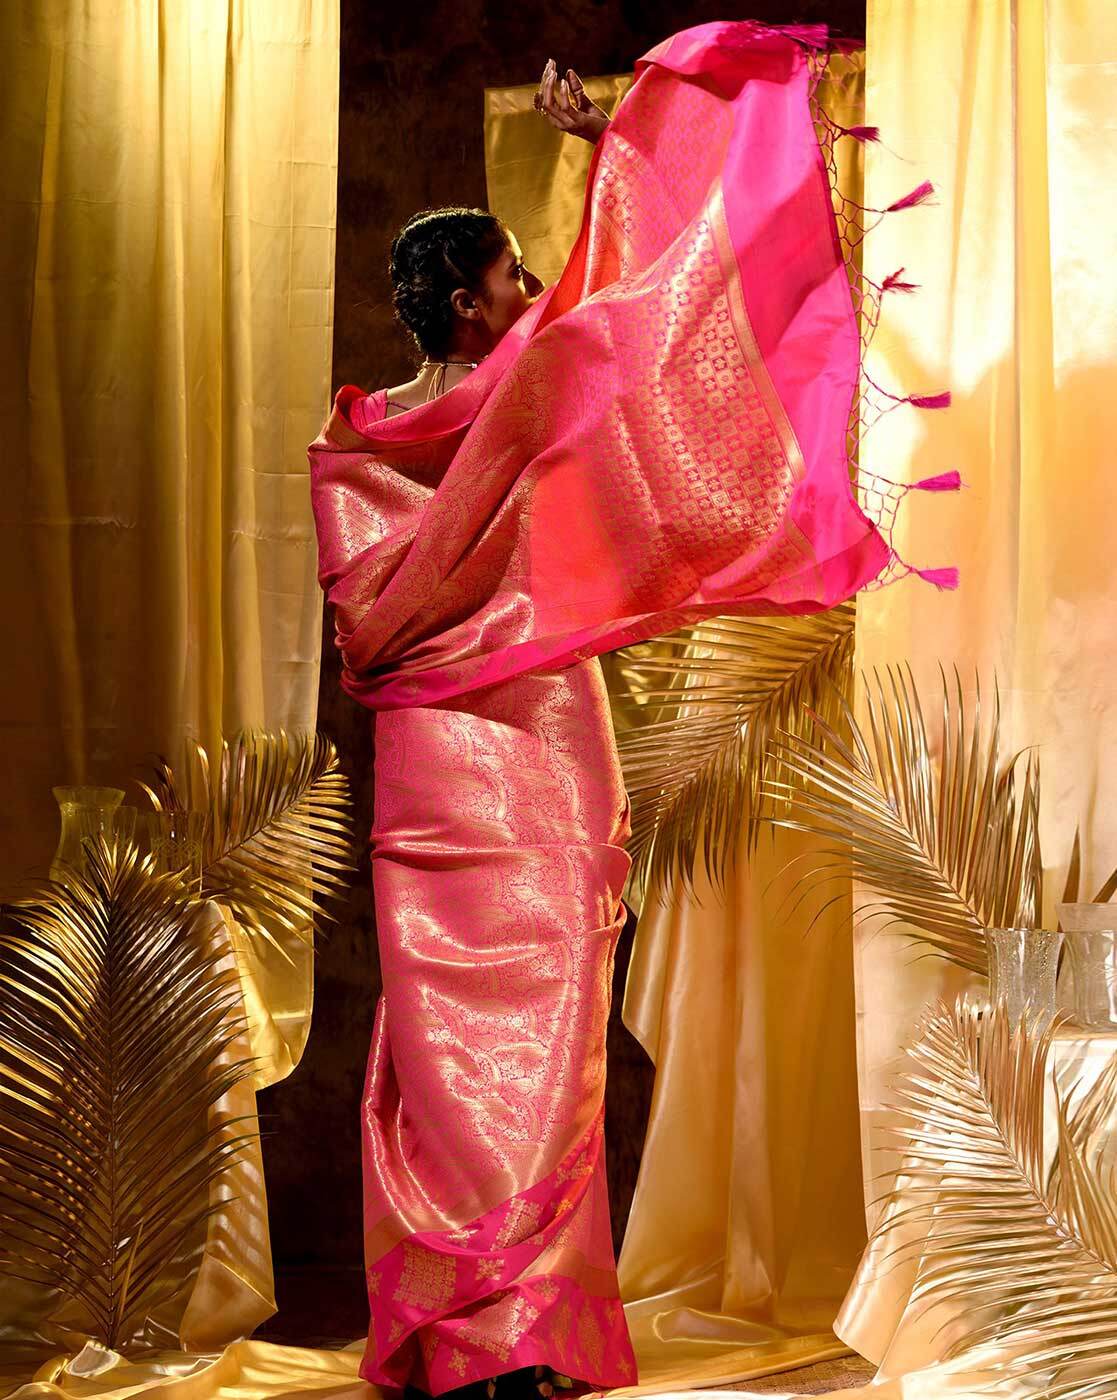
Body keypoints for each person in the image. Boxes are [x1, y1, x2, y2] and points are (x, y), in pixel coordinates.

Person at [309, 21, 935, 1400]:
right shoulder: (524, 392)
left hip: (436, 767)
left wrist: (597, 161)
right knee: (531, 1049)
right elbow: (649, 297)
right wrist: (615, 150)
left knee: (455, 1055)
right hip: (528, 747)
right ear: (476, 310)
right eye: (511, 278)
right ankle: (510, 1340)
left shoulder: (348, 451)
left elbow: (370, 623)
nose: (532, 290)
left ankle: (478, 1336)